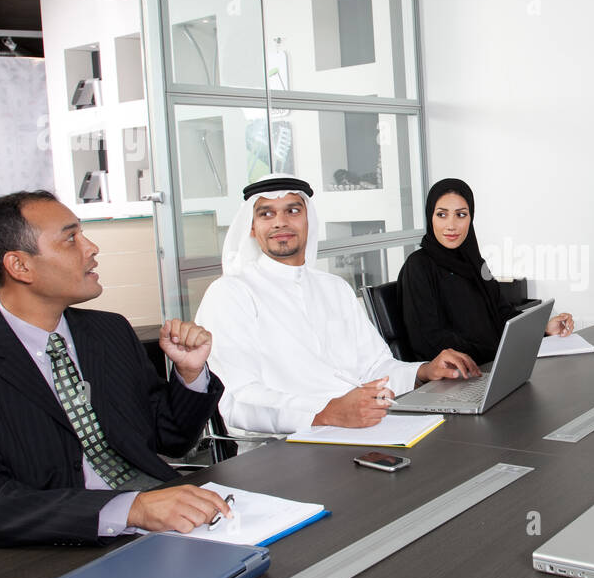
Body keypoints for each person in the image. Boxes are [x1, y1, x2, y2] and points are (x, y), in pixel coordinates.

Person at [0, 191, 231, 548]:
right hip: (50, 550)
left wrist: (189, 376)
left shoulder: (109, 331)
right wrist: (129, 509)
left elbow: (173, 441)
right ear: (20, 266)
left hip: (163, 524)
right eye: (71, 239)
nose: (91, 248)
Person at [195, 174, 480, 434]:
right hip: (285, 443)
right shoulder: (230, 294)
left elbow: (376, 368)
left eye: (293, 210)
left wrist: (423, 372)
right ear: (252, 228)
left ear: (309, 220)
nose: (280, 222)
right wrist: (327, 413)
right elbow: (238, 401)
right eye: (266, 214)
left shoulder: (334, 288)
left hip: (363, 427)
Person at [397, 178, 574, 364]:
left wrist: (543, 328)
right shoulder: (418, 266)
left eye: (461, 215)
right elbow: (429, 340)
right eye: (442, 215)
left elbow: (504, 314)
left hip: (493, 365)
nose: (451, 225)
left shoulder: (475, 262)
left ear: (470, 218)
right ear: (430, 216)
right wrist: (495, 353)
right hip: (456, 375)